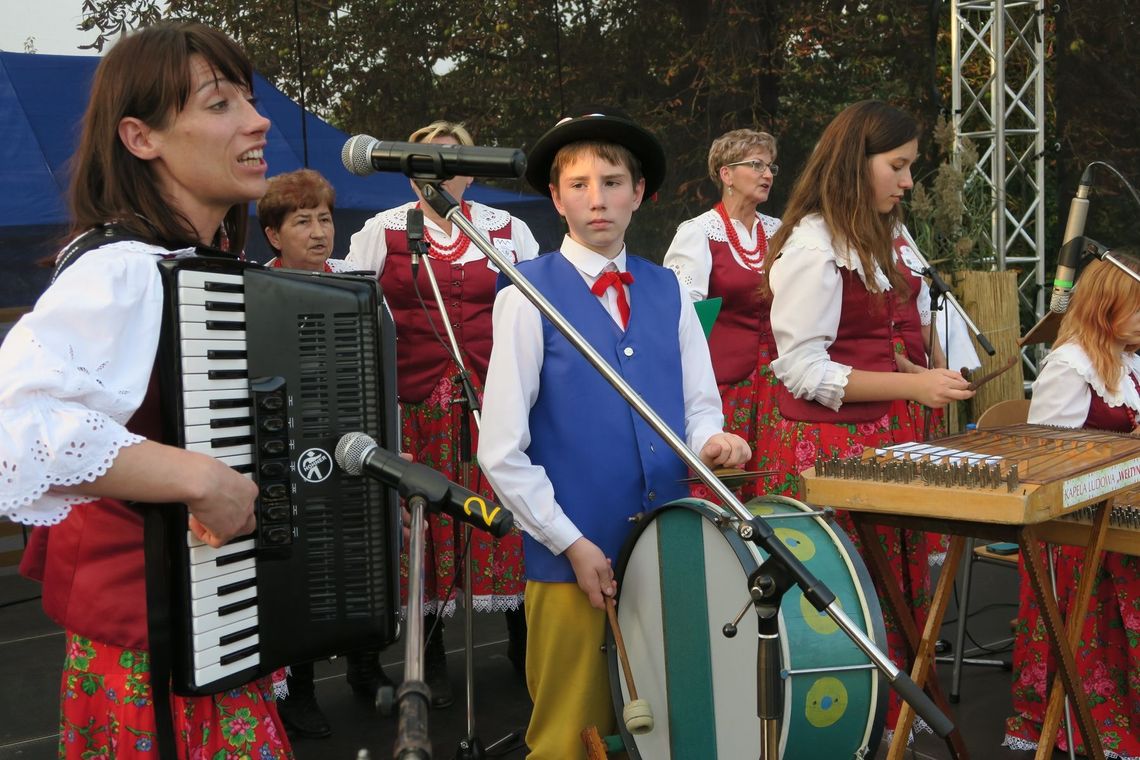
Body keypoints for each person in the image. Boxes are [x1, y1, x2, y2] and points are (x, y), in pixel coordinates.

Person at [0, 23, 292, 759]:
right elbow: (18, 424)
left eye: (250, 101)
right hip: (153, 653)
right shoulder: (124, 268)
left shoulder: (200, 265)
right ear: (141, 138)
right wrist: (199, 478)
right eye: (220, 104)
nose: (257, 122)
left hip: (212, 628)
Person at [478, 109, 751, 759]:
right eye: (578, 185)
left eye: (612, 182)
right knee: (569, 736)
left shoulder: (670, 290)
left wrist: (714, 442)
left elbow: (698, 408)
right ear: (556, 198)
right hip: (570, 559)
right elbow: (500, 449)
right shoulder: (525, 294)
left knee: (671, 723)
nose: (596, 199)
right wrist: (571, 544)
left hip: (669, 546)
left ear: (639, 192)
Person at [760, 100, 974, 738]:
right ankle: (847, 728)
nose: (907, 182)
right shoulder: (813, 247)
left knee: (888, 587)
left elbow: (865, 344)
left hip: (876, 434)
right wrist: (912, 384)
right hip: (826, 447)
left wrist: (913, 373)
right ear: (857, 163)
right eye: (897, 166)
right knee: (845, 594)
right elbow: (801, 368)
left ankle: (891, 720)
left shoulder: (868, 240)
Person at [345, 120, 540, 705]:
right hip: (416, 404)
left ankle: (523, 641)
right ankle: (431, 655)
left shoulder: (507, 231)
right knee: (426, 518)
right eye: (426, 161)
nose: (439, 172)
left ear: (473, 171)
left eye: (453, 161)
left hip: (491, 399)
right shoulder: (382, 231)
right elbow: (353, 309)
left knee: (508, 509)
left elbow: (539, 308)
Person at [1005, 251, 1140, 759]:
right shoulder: (1069, 366)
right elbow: (1046, 461)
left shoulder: (1130, 360)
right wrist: (1125, 449)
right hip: (1075, 531)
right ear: (1104, 308)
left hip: (1123, 509)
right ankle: (1097, 713)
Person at [254, 167, 346, 740]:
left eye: (325, 219)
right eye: (303, 221)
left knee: (353, 553)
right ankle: (300, 692)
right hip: (287, 449)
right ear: (273, 234)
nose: (318, 232)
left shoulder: (357, 283)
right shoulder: (256, 291)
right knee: (297, 568)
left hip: (348, 444)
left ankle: (367, 670)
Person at [663, 128, 782, 500]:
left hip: (778, 383)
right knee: (725, 482)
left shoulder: (779, 232)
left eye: (770, 166)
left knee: (774, 480)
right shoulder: (699, 233)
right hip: (724, 385)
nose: (767, 174)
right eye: (757, 165)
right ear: (726, 174)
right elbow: (681, 316)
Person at [257, 167, 350, 273]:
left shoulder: (357, 276)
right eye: (303, 222)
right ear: (274, 237)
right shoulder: (254, 282)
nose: (319, 234)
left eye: (324, 220)